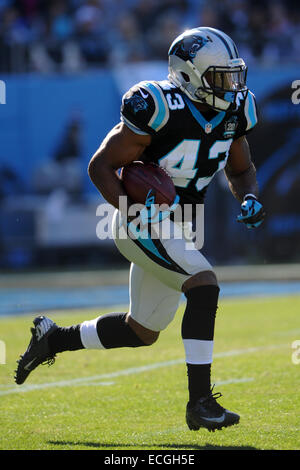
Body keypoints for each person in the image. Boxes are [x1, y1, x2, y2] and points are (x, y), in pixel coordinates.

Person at [15, 27, 265, 432]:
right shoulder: (158, 106)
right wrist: (133, 211)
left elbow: (242, 170)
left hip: (184, 225)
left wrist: (249, 197)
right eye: (220, 76)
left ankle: (52, 338)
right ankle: (200, 403)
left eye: (234, 75)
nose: (232, 86)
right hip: (141, 221)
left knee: (141, 330)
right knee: (204, 284)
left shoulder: (238, 109)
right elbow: (100, 166)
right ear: (188, 75)